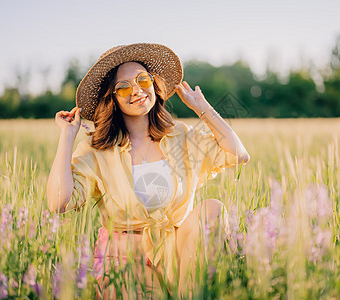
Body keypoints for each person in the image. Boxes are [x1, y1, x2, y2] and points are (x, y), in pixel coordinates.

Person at [46, 43, 250, 299]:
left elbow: (238, 154)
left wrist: (203, 109)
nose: (137, 90)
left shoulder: (179, 136)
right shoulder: (97, 149)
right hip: (124, 256)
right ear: (113, 98)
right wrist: (67, 137)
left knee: (212, 209)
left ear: (153, 84)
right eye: (123, 87)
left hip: (175, 249)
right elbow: (58, 202)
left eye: (143, 79)